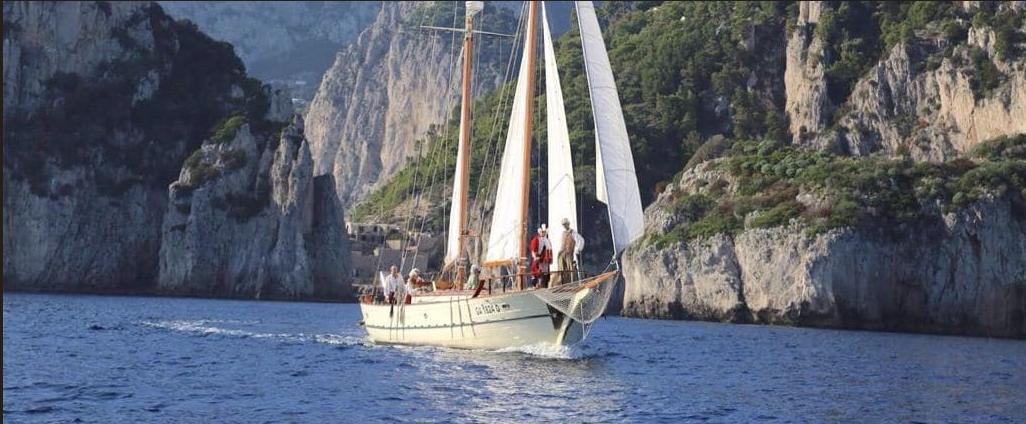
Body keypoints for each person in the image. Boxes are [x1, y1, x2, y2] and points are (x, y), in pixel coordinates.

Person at [555, 217, 577, 286]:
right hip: (562, 252)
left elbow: (579, 242)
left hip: (569, 252)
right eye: (563, 224)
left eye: (565, 224)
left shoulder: (573, 232)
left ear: (568, 224)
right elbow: (561, 242)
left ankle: (571, 283)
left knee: (570, 268)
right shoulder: (563, 233)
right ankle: (562, 283)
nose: (564, 225)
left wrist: (576, 250)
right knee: (561, 268)